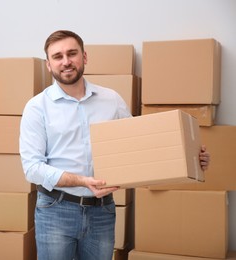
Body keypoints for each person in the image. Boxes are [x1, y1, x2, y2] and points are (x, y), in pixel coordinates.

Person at [19, 30, 211, 260]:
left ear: (84, 57)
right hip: (56, 209)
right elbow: (32, 168)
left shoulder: (111, 100)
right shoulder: (37, 107)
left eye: (72, 53)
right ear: (49, 65)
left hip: (102, 211)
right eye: (58, 56)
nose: (66, 61)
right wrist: (82, 181)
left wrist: (189, 158)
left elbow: (140, 148)